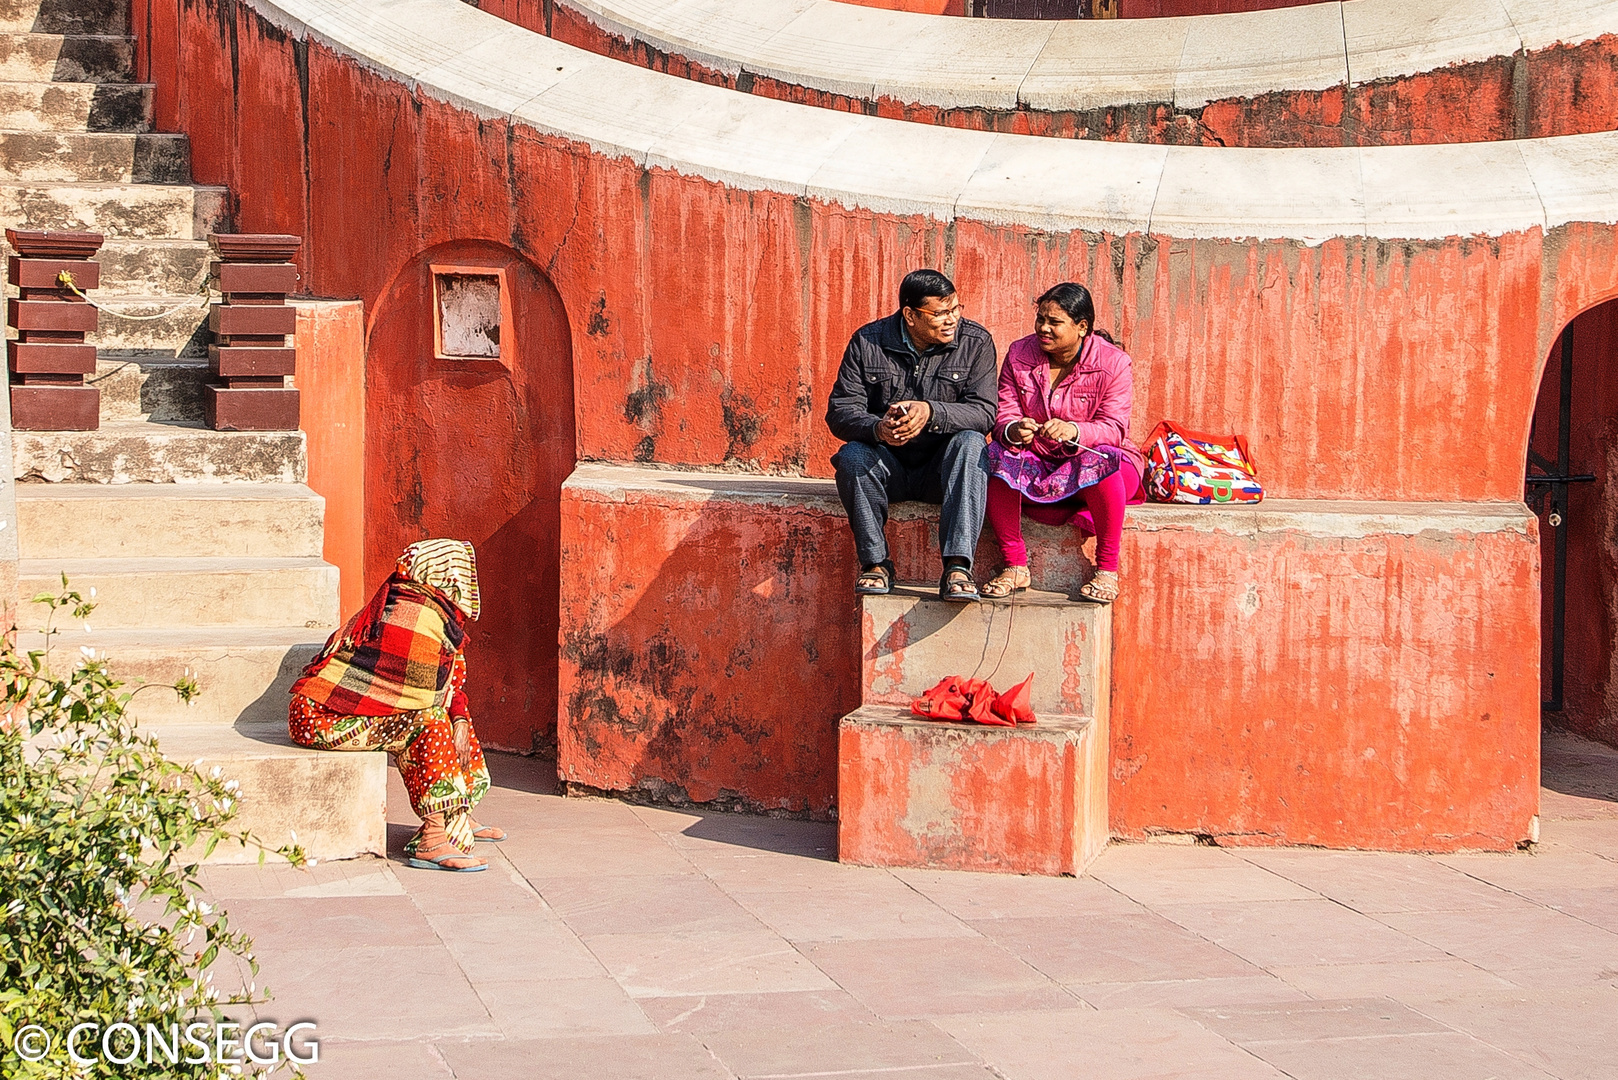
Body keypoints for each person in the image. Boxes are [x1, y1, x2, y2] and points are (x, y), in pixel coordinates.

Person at [288, 539, 505, 872]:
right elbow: (422, 699)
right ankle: (433, 838)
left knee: (455, 720)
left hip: (350, 712)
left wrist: (459, 719)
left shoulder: (434, 612)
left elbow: (447, 684)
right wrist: (449, 719)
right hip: (320, 717)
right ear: (446, 574)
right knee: (428, 724)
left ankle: (456, 816)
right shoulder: (411, 612)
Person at [826, 269, 997, 601]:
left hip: (943, 472)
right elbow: (840, 411)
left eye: (956, 309)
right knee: (852, 457)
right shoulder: (868, 341)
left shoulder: (976, 343)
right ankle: (876, 564)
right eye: (940, 314)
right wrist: (878, 429)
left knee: (972, 444)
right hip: (888, 467)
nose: (952, 320)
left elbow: (985, 412)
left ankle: (958, 567)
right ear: (910, 315)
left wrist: (931, 412)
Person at [981, 282, 1144, 604]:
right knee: (993, 455)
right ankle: (1015, 564)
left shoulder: (1114, 362)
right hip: (1039, 462)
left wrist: (1075, 431)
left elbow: (1114, 428)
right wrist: (1014, 430)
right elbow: (1005, 412)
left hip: (1097, 465)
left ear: (1082, 327)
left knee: (1104, 459)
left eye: (1054, 322)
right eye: (1041, 319)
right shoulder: (1019, 353)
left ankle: (1107, 570)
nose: (1043, 328)